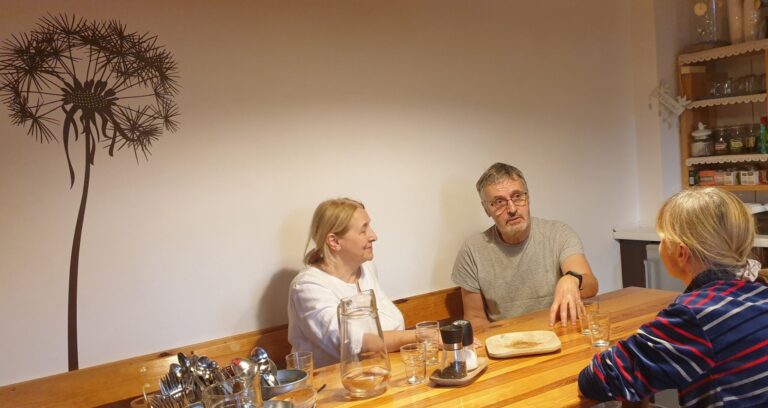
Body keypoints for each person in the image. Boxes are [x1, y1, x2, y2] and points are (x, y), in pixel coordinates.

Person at [578, 187, 768, 407]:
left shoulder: (694, 316)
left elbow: (598, 379)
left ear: (680, 252)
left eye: (662, 239)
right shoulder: (759, 290)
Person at [451, 162, 598, 330]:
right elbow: (476, 319)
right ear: (486, 209)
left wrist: (573, 279)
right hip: (505, 339)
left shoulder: (559, 234)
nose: (512, 209)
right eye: (499, 202)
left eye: (517, 196)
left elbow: (591, 285)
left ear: (527, 199)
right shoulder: (472, 251)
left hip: (558, 331)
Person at [287, 198, 416, 368]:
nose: (374, 236)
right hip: (331, 382)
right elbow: (358, 345)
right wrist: (421, 336)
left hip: (382, 371)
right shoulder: (307, 287)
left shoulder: (367, 268)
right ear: (334, 241)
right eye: (363, 230)